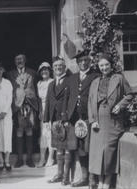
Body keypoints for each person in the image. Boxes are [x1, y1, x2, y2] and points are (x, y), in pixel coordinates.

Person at [88, 53, 133, 189]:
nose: (104, 67)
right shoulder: (95, 82)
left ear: (111, 65)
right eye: (101, 65)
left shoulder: (119, 78)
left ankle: (106, 184)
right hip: (98, 122)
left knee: (108, 152)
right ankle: (100, 183)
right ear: (98, 66)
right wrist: (92, 120)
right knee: (98, 154)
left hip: (113, 121)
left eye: (106, 64)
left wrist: (120, 105)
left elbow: (130, 94)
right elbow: (90, 103)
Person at [62, 50, 100, 188]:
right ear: (77, 63)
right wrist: (64, 117)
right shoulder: (71, 78)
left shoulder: (96, 76)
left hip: (88, 118)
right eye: (80, 61)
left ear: (90, 62)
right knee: (78, 148)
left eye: (86, 61)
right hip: (73, 119)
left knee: (89, 148)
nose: (83, 63)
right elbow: (66, 98)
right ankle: (84, 177)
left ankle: (92, 179)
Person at [7, 54, 39, 168]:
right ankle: (20, 159)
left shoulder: (33, 73)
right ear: (14, 62)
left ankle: (29, 159)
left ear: (25, 60)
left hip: (30, 104)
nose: (19, 61)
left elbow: (36, 88)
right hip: (17, 105)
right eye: (17, 60)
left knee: (29, 130)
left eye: (21, 59)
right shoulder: (10, 74)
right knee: (19, 131)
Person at [43, 56, 71, 185]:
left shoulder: (70, 81)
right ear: (53, 69)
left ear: (64, 67)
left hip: (65, 119)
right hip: (54, 120)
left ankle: (66, 176)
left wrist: (66, 117)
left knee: (66, 148)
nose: (58, 68)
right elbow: (48, 102)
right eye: (55, 66)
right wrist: (46, 120)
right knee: (58, 148)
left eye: (60, 66)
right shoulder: (51, 84)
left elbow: (71, 101)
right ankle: (59, 174)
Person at [36, 62, 55, 167]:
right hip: (42, 110)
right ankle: (42, 158)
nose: (44, 72)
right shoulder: (39, 83)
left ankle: (51, 158)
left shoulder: (53, 81)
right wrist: (40, 111)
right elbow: (39, 100)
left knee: (50, 134)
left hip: (51, 109)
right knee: (43, 135)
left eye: (46, 70)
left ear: (49, 71)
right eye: (42, 70)